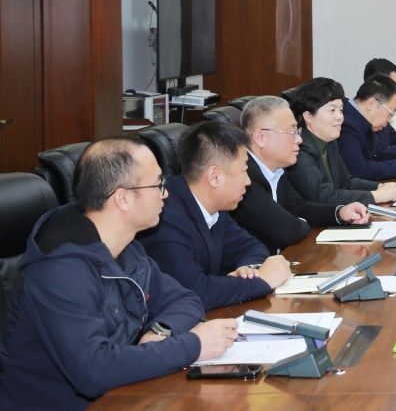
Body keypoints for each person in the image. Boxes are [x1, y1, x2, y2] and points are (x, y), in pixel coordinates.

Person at [0, 137, 237, 408]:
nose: (165, 194)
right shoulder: (59, 271)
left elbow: (186, 299)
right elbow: (94, 370)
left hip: (123, 395)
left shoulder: (125, 246)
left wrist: (160, 331)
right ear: (122, 198)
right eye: (158, 184)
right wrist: (194, 346)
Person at [140, 121, 294, 311]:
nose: (248, 182)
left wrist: (249, 271)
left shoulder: (214, 207)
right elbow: (194, 292)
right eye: (244, 171)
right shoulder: (164, 216)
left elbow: (251, 247)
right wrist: (262, 281)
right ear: (214, 176)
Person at [232, 96, 370, 252]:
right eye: (291, 132)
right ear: (260, 137)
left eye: (297, 131)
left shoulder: (277, 170)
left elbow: (299, 207)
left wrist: (340, 213)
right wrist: (300, 222)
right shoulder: (244, 178)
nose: (299, 139)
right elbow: (287, 231)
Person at [286, 77, 396, 205]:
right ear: (308, 116)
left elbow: (346, 182)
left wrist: (379, 187)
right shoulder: (299, 149)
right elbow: (324, 196)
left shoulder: (330, 142)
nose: (340, 117)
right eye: (332, 110)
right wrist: (376, 195)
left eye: (341, 110)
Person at [339, 75, 396, 181]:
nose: (389, 120)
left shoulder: (365, 121)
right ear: (372, 104)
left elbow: (378, 153)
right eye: (391, 113)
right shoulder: (346, 123)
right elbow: (358, 170)